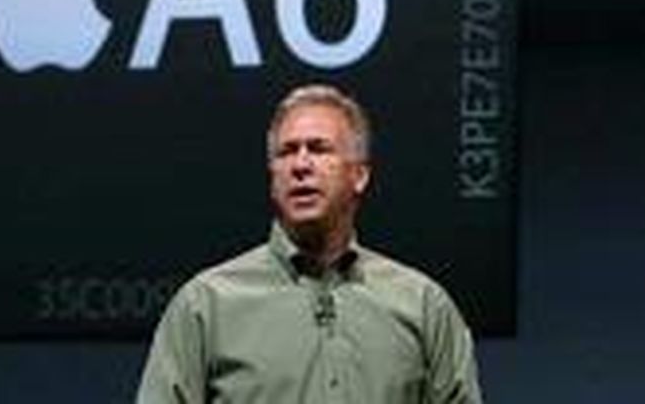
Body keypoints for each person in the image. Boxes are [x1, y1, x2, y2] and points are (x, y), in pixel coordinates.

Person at [135, 83, 483, 403]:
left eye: (319, 149)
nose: (300, 165)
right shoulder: (206, 306)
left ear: (359, 175)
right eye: (286, 152)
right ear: (273, 178)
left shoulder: (422, 306)